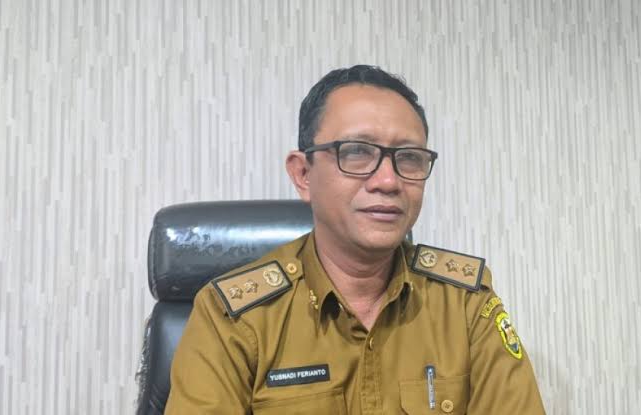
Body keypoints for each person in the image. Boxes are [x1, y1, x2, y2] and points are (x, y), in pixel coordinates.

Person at [165, 65, 545, 414]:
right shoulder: (233, 317)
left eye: (409, 157)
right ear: (303, 174)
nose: (388, 181)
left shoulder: (464, 304)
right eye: (357, 152)